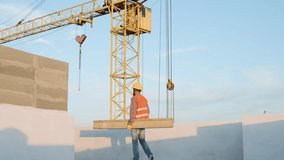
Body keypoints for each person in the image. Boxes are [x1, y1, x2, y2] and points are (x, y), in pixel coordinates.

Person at [128, 82, 154, 160]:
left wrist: (131, 122)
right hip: (143, 123)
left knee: (135, 141)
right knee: (142, 140)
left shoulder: (134, 98)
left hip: (136, 123)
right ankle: (150, 155)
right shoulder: (144, 99)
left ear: (135, 90)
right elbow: (148, 111)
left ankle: (136, 158)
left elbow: (133, 112)